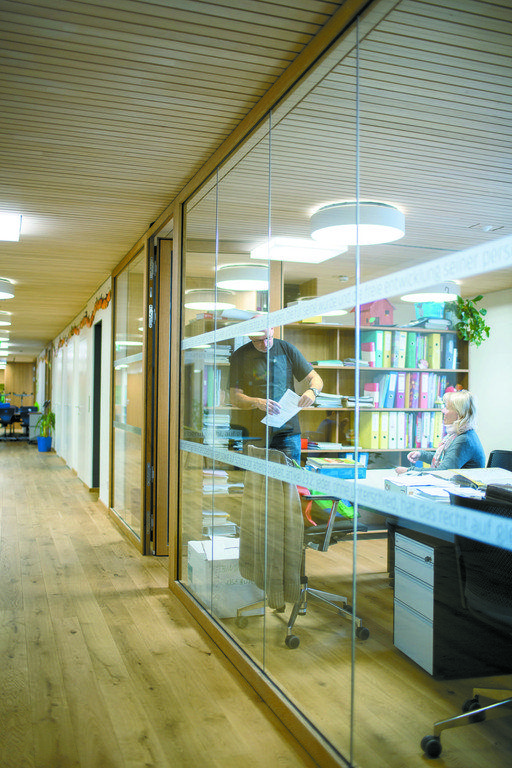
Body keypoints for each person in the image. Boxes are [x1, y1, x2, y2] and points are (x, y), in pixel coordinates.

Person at [229, 325, 323, 464]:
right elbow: (234, 397)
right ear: (249, 336)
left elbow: (316, 378)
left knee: (290, 476)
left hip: (287, 432)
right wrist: (258, 402)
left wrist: (312, 391)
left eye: (268, 338)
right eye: (259, 341)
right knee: (255, 476)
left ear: (272, 330)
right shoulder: (240, 356)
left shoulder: (286, 349)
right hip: (255, 432)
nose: (265, 344)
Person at [397, 389, 485, 472]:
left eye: (447, 408)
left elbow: (443, 472)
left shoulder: (464, 440)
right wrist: (421, 455)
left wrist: (409, 471)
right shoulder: (461, 434)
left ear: (459, 414)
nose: (443, 411)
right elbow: (445, 459)